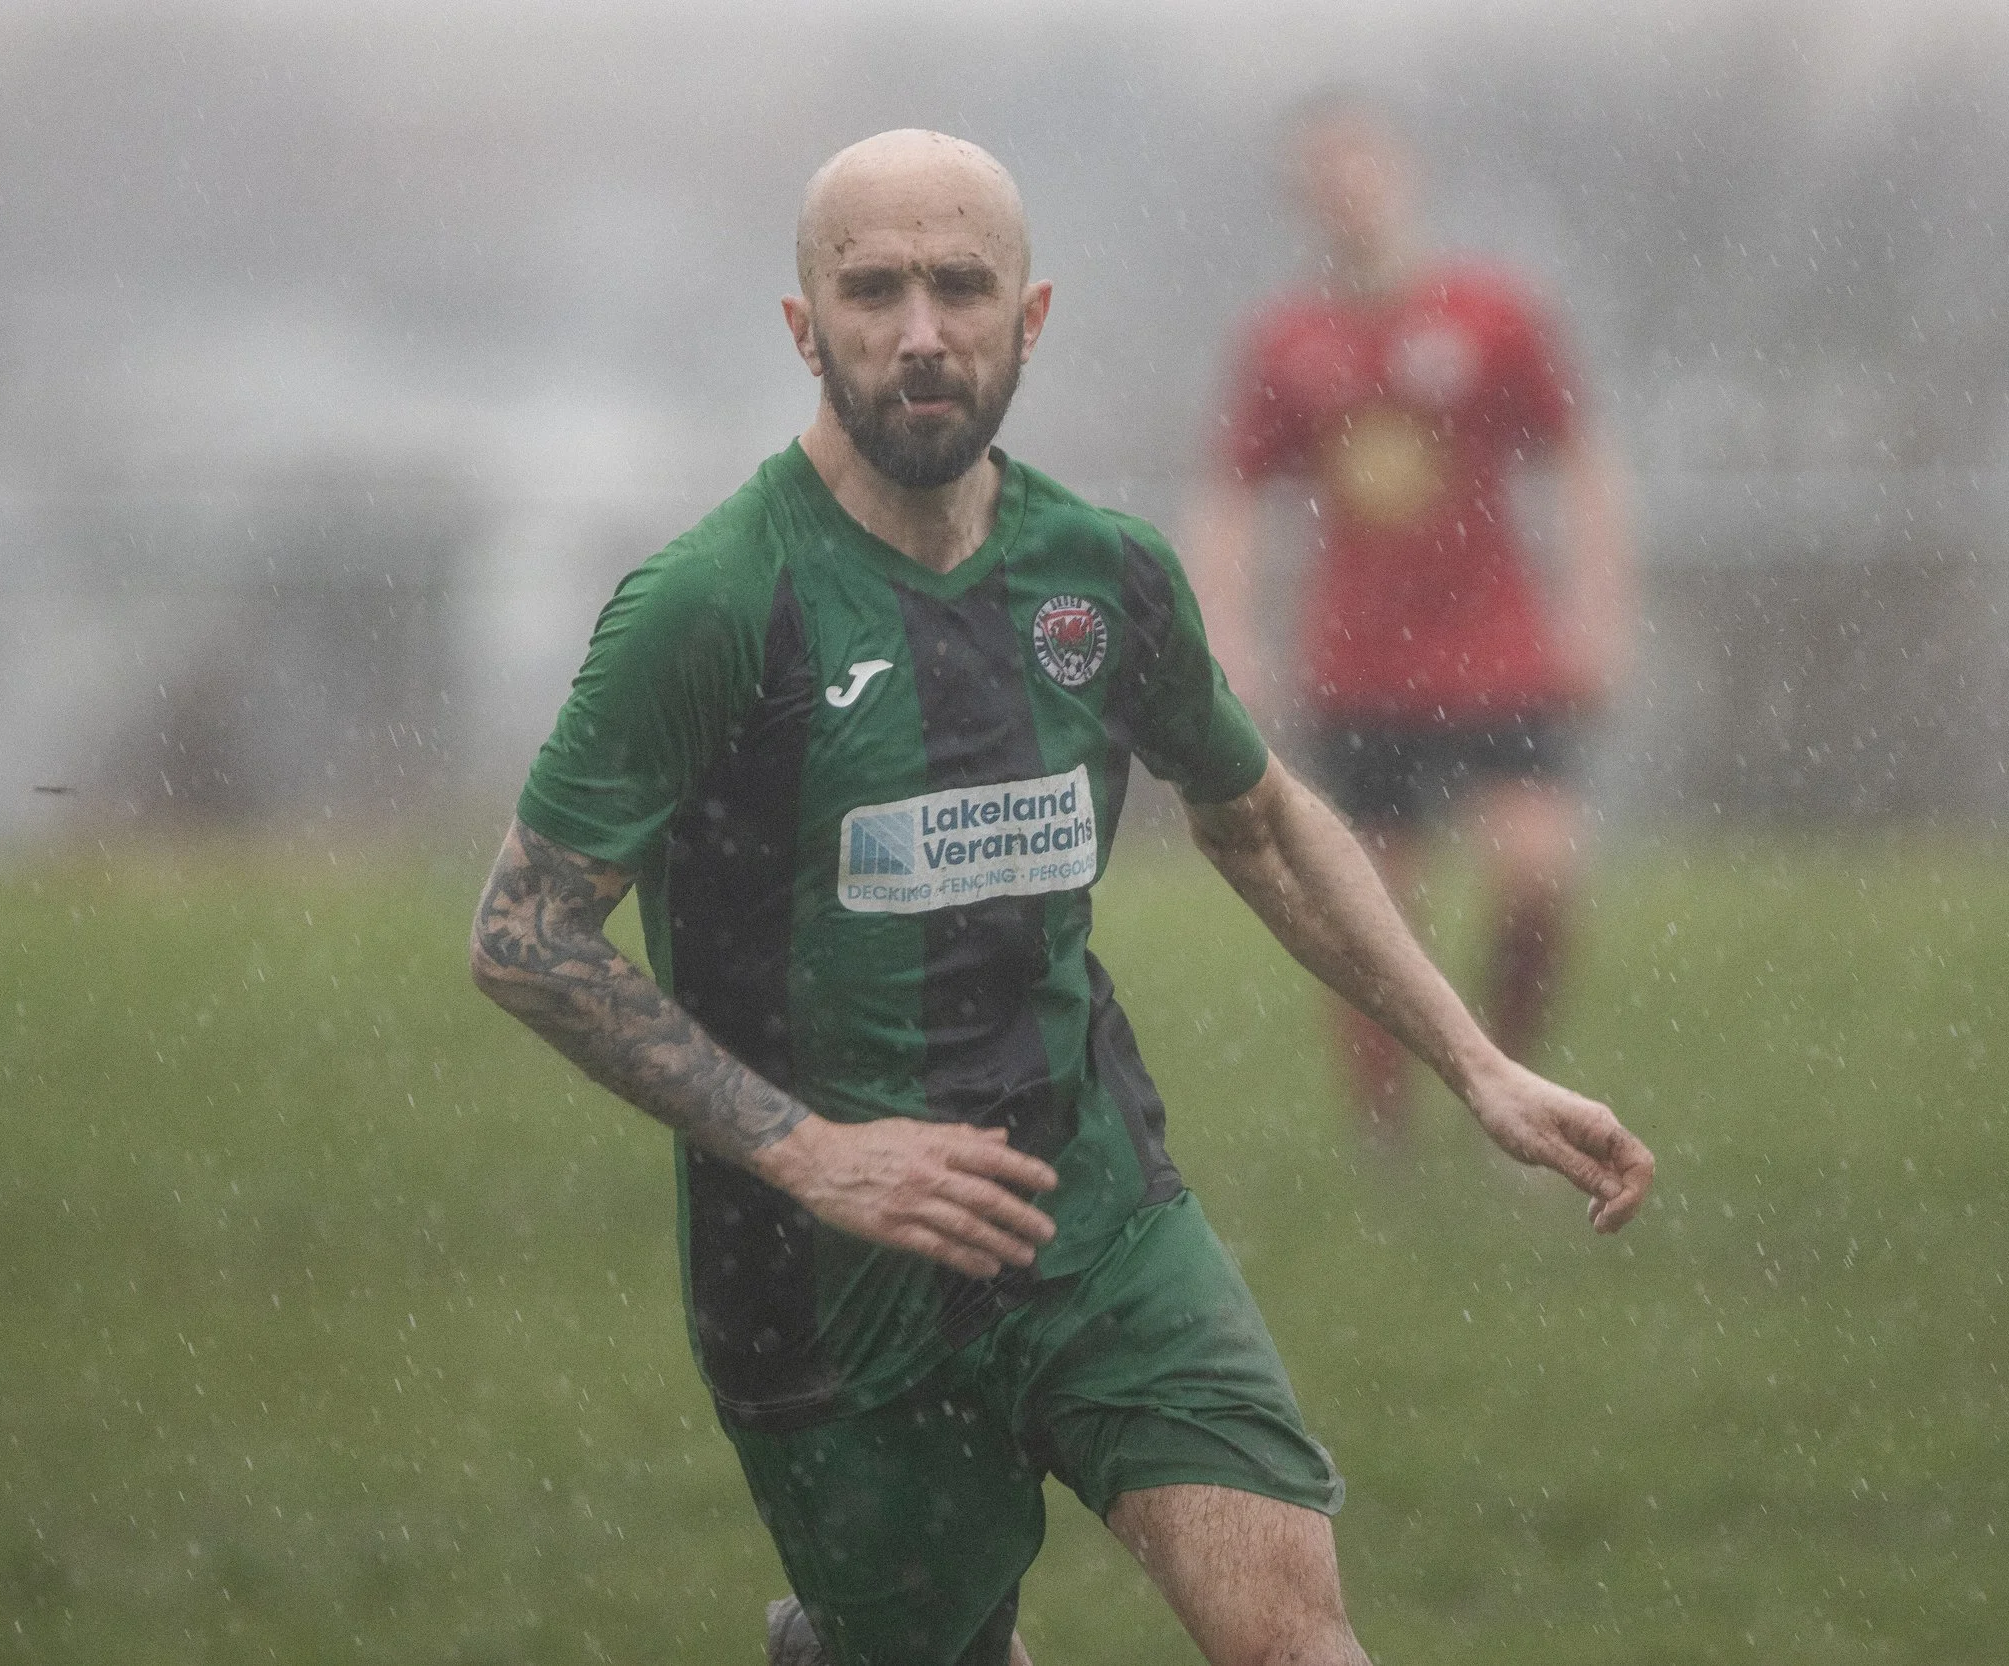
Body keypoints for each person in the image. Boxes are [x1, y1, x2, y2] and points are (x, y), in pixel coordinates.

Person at [467, 129, 1655, 1666]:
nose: (917, 331)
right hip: (831, 1291)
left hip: (1099, 1218)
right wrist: (810, 1151)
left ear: (1029, 318)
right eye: (872, 288)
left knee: (1302, 1644)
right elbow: (523, 931)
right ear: (800, 326)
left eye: (960, 287)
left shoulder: (1103, 579)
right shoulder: (711, 603)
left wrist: (1476, 1063)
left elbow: (1267, 825)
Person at [1185, 93, 1639, 1146]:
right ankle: (1384, 1139)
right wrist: (1227, 635)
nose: (1347, 190)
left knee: (1539, 876)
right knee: (1371, 915)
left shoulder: (1495, 314)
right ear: (1303, 201)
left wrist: (1601, 612)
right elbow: (1229, 495)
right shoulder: (1285, 341)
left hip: (1500, 654)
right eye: (1323, 176)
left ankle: (1514, 1085)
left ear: (1405, 171)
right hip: (1360, 668)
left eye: (1362, 166)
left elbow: (1582, 463)